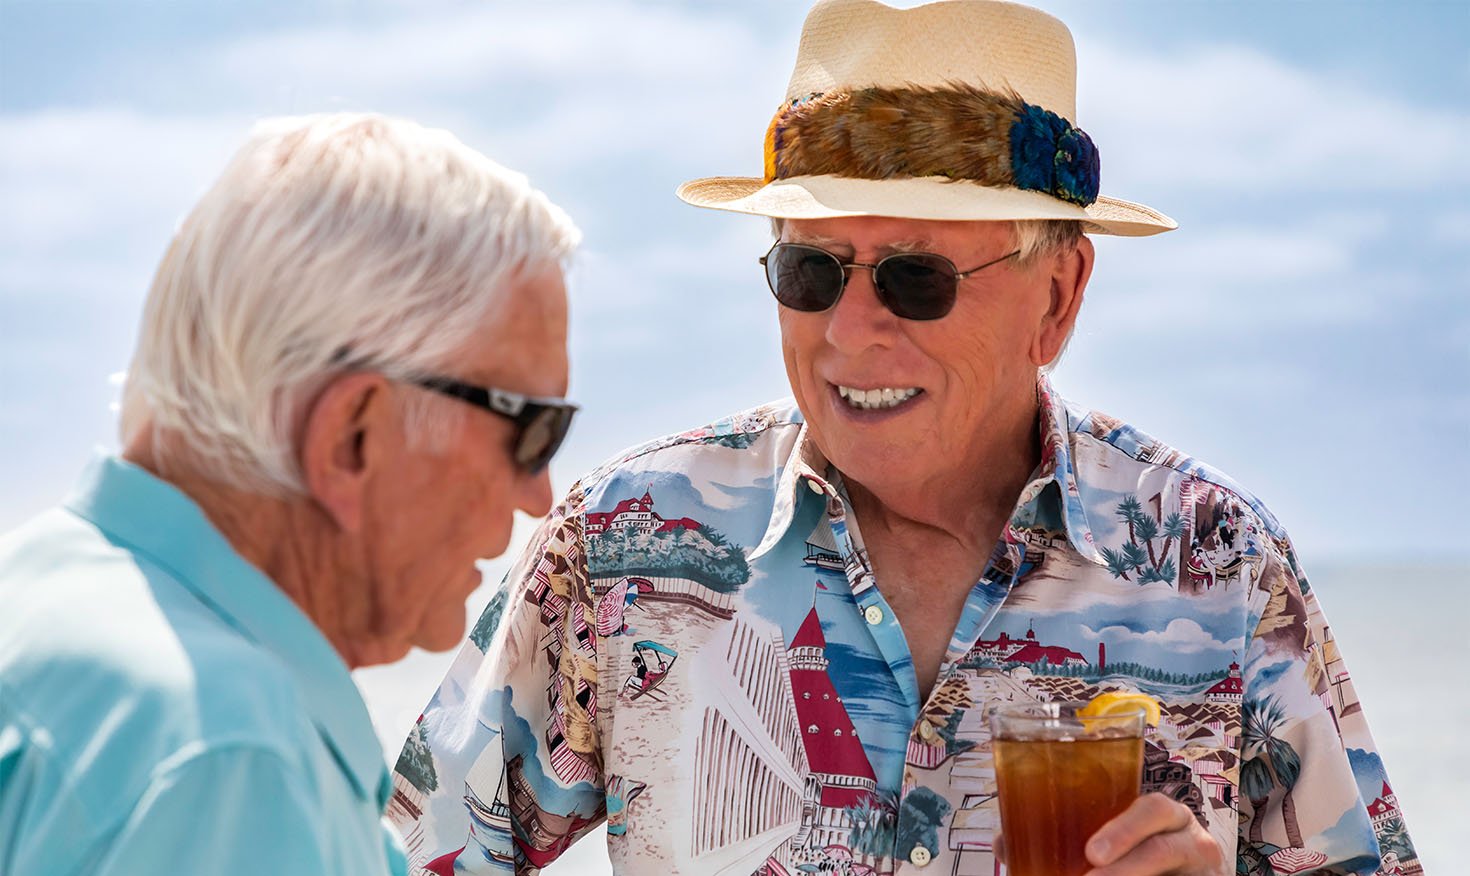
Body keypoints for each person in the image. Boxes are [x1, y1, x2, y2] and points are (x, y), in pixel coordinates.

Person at [391, 2, 1421, 874]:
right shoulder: (624, 542)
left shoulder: (1223, 565)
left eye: (914, 278)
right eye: (811, 271)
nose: (847, 330)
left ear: (1056, 299)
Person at [0, 112, 580, 876]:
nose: (541, 495)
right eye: (532, 431)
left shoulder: (38, 597)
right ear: (353, 436)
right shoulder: (231, 761)